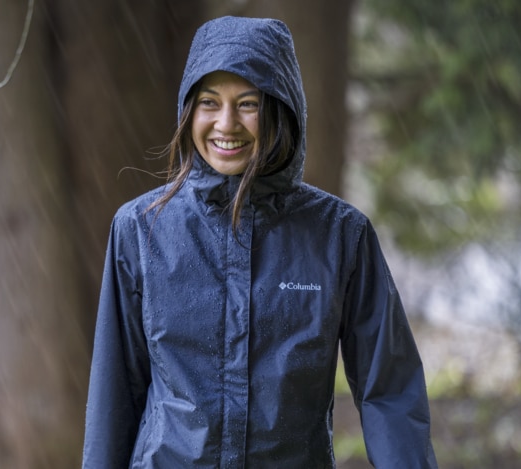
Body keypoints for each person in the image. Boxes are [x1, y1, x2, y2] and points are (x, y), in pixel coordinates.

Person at [82, 15, 438, 469]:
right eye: (209, 103)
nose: (225, 124)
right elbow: (115, 395)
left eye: (247, 103)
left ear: (281, 110)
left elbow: (388, 391)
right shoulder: (139, 229)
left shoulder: (340, 236)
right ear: (188, 110)